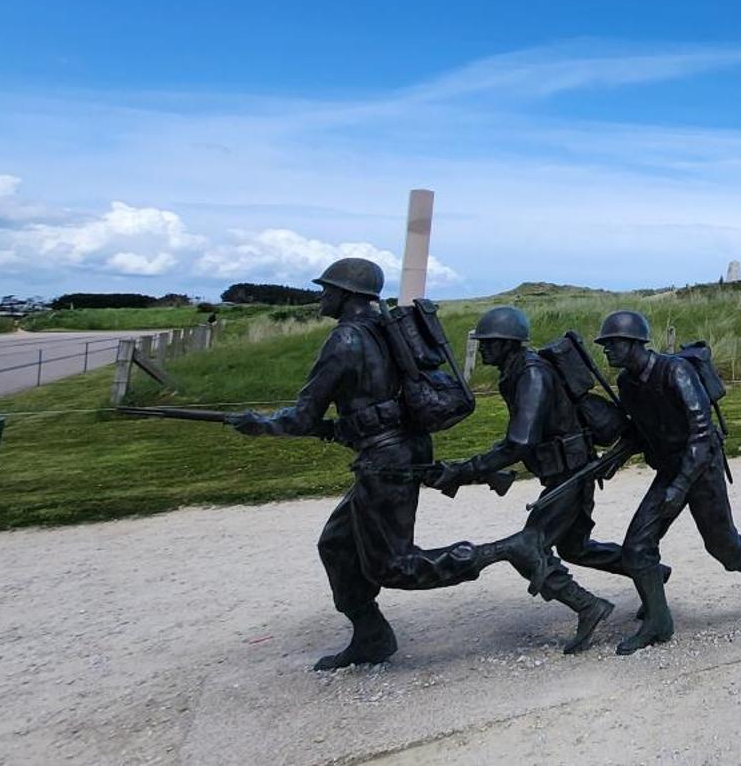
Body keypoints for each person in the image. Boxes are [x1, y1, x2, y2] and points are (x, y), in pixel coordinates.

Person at [230, 259, 547, 670]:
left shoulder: (345, 340)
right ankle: (371, 635)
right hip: (399, 448)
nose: (322, 296)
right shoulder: (386, 331)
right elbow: (377, 405)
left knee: (394, 566)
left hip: (385, 459)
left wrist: (260, 424)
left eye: (328, 289)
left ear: (347, 295)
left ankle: (506, 549)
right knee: (337, 545)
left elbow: (303, 416)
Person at [425, 305, 622, 655]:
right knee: (576, 548)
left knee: (527, 546)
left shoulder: (531, 374)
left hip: (570, 474)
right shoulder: (516, 372)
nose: (483, 346)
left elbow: (519, 441)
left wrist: (465, 469)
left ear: (508, 344)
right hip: (564, 471)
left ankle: (589, 606)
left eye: (490, 341)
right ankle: (650, 571)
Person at [596, 310, 741, 654]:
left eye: (611, 343)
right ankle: (659, 621)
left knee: (723, 548)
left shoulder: (676, 372)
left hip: (701, 468)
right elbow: (642, 431)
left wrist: (680, 486)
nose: (606, 350)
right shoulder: (627, 383)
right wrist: (613, 459)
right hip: (670, 469)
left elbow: (701, 435)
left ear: (634, 343)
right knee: (637, 548)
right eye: (605, 345)